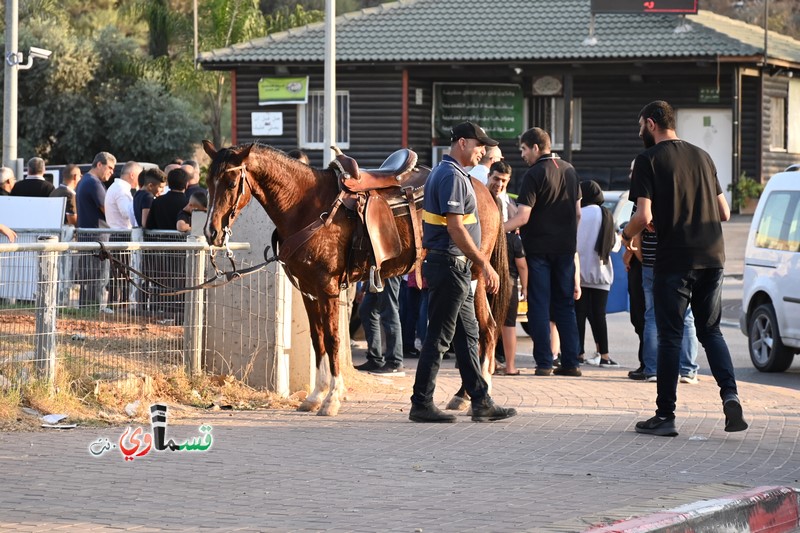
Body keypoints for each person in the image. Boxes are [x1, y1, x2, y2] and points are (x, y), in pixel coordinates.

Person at [621, 100, 747, 437]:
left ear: (650, 123)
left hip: (674, 259)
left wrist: (626, 234)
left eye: (640, 125)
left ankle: (666, 416)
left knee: (670, 336)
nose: (639, 132)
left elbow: (643, 216)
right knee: (710, 331)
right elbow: (724, 212)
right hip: (713, 257)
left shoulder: (649, 160)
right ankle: (730, 395)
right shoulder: (703, 157)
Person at [409, 121, 516, 423]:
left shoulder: (450, 174)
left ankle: (481, 400)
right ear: (462, 143)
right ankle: (421, 402)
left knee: (469, 335)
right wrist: (484, 263)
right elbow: (456, 227)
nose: (484, 151)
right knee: (439, 337)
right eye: (480, 144)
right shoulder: (453, 177)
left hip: (455, 267)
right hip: (451, 265)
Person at [504, 127, 583, 377]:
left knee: (538, 305)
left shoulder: (534, 173)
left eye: (524, 149)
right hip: (566, 250)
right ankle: (571, 362)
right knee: (565, 305)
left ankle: (544, 363)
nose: (523, 155)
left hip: (538, 250)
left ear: (536, 147)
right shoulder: (570, 170)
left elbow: (523, 216)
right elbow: (578, 213)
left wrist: (497, 229)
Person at [487, 161, 527, 376]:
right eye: (496, 179)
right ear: (489, 176)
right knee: (487, 321)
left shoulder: (510, 205)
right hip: (485, 269)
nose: (499, 184)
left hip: (507, 273)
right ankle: (489, 364)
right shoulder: (479, 198)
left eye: (503, 180)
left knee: (506, 322)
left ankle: (504, 365)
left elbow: (522, 262)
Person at [575, 180, 621, 367]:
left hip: (579, 274)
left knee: (579, 314)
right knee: (598, 316)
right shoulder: (606, 214)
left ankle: (578, 353)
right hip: (601, 273)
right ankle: (604, 356)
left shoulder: (577, 214)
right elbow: (615, 246)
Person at [75, 151, 117, 307]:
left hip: (89, 237)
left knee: (88, 277)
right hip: (97, 239)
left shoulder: (84, 180)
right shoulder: (94, 183)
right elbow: (107, 210)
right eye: (110, 168)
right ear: (100, 164)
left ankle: (87, 310)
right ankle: (94, 312)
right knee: (98, 278)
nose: (112, 172)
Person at [354, 276, 404, 375]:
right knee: (367, 310)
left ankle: (395, 362)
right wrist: (365, 285)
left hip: (389, 268)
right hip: (377, 271)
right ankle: (375, 359)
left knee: (389, 310)